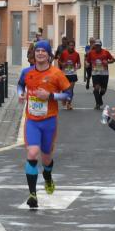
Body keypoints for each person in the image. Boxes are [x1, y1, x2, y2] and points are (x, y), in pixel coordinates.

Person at [18, 40, 72, 208]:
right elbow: (20, 85)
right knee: (33, 153)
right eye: (37, 51)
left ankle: (47, 177)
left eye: (43, 51)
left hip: (49, 121)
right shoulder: (26, 72)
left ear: (49, 55)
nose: (40, 53)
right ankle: (32, 194)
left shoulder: (57, 74)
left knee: (46, 157)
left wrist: (50, 96)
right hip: (32, 121)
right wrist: (21, 94)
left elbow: (68, 95)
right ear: (33, 54)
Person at [85, 39, 115, 110]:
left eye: (98, 45)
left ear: (101, 46)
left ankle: (99, 97)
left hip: (104, 74)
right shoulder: (91, 53)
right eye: (96, 45)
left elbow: (113, 60)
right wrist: (87, 64)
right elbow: (87, 61)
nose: (97, 47)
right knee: (96, 88)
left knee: (103, 91)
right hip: (95, 73)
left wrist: (107, 62)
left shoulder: (106, 52)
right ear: (94, 46)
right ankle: (98, 103)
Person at [57, 39, 81, 110]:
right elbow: (59, 61)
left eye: (73, 45)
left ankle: (69, 104)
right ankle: (64, 98)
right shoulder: (64, 53)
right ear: (68, 46)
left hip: (73, 73)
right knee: (65, 89)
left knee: (70, 89)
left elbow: (79, 63)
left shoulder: (77, 54)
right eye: (70, 45)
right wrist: (62, 64)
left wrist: (78, 66)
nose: (71, 47)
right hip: (65, 73)